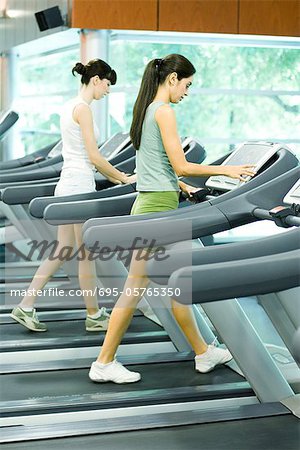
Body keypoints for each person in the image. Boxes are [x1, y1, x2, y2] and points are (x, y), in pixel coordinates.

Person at [89, 54, 256, 383]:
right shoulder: (164, 112)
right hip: (156, 211)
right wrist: (229, 169)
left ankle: (203, 352)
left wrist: (180, 187)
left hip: (157, 204)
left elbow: (158, 167)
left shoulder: (148, 109)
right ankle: (104, 362)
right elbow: (181, 165)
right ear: (173, 78)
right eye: (187, 84)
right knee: (139, 288)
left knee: (178, 284)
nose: (187, 92)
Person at [11, 58, 135, 333]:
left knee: (64, 250)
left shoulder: (69, 106)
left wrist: (116, 177)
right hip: (79, 186)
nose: (108, 91)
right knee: (84, 255)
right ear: (95, 80)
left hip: (68, 183)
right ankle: (93, 314)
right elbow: (94, 156)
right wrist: (125, 178)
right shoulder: (84, 110)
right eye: (107, 84)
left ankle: (27, 305)